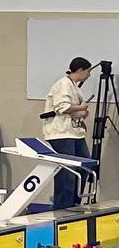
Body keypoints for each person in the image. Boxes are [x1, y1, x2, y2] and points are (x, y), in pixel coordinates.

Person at [42, 57, 96, 208]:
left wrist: (82, 112)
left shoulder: (75, 87)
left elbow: (75, 111)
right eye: (88, 71)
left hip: (74, 133)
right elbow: (62, 107)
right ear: (80, 70)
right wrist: (81, 108)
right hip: (61, 133)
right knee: (68, 171)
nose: (89, 75)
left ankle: (74, 202)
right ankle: (62, 206)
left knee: (85, 165)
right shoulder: (63, 85)